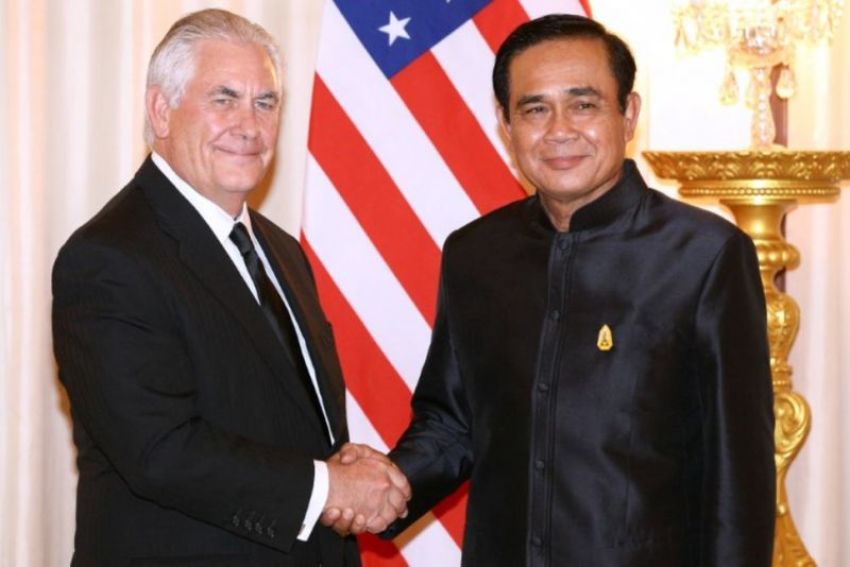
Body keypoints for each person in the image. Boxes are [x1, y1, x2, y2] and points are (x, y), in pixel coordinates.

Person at [325, 13, 776, 566]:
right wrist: (385, 489)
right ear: (506, 125)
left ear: (628, 113)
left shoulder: (705, 255)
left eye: (584, 104)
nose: (559, 129)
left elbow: (740, 476)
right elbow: (453, 423)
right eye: (534, 109)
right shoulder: (475, 253)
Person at [52, 9, 408, 566]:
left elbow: (282, 412)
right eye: (224, 98)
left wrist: (338, 465)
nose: (249, 124)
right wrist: (327, 488)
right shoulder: (108, 258)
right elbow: (160, 451)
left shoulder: (281, 250)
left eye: (265, 102)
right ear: (161, 111)